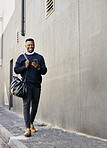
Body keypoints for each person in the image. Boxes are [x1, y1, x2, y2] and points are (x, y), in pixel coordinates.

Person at [14, 38, 47, 137]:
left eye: (32, 45)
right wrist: (25, 66)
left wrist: (38, 68)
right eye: (28, 45)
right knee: (26, 106)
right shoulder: (21, 57)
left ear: (34, 45)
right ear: (25, 46)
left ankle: (31, 123)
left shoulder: (39, 57)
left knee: (35, 106)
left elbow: (44, 71)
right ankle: (27, 128)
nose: (30, 46)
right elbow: (16, 70)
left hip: (36, 85)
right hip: (26, 85)